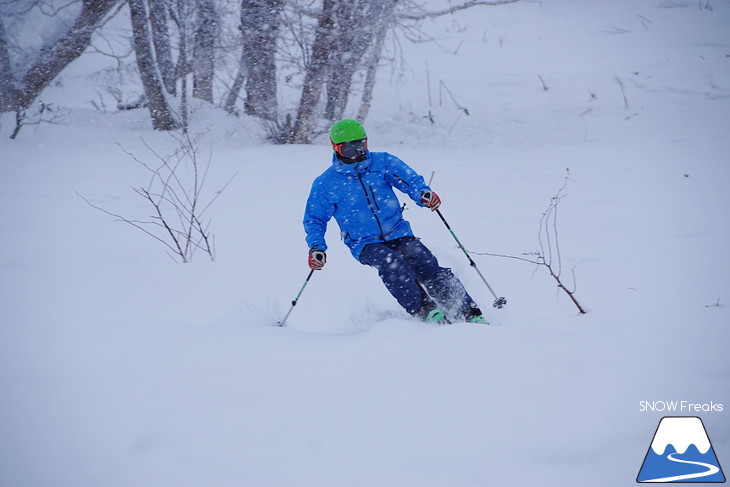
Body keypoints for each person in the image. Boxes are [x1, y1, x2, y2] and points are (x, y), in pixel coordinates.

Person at [303, 119, 488, 324]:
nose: (356, 152)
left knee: (425, 263)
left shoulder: (383, 163)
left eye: (360, 145)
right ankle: (425, 309)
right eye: (347, 149)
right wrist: (316, 247)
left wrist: (423, 194)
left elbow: (411, 182)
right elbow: (314, 219)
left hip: (398, 232)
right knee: (392, 264)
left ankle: (469, 311)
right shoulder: (327, 183)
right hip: (364, 242)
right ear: (336, 148)